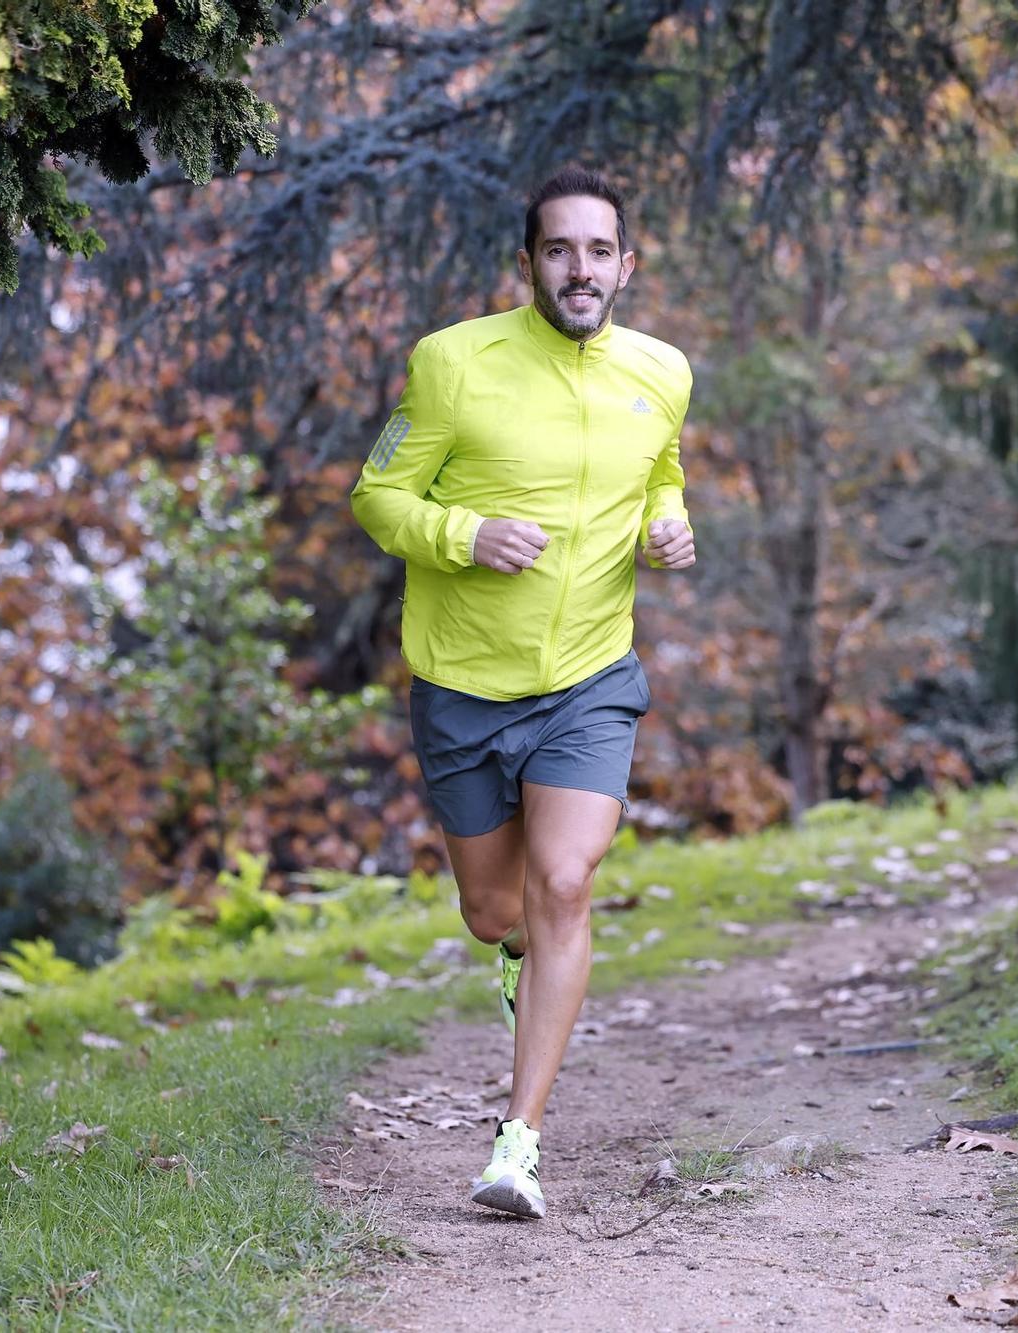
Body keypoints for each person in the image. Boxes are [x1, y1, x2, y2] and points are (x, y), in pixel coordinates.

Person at [350, 166, 696, 1219]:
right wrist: (463, 534)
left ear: (625, 268)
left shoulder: (662, 371)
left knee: (563, 883)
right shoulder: (452, 364)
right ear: (528, 264)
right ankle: (511, 955)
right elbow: (376, 495)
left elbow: (659, 469)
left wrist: (669, 523)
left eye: (598, 252)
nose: (578, 269)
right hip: (462, 684)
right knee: (495, 906)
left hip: (591, 677)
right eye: (558, 250)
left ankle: (517, 1144)